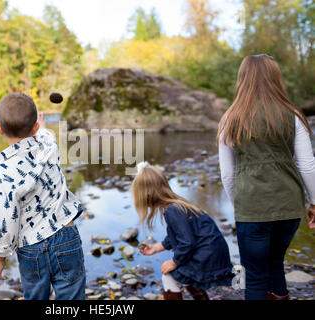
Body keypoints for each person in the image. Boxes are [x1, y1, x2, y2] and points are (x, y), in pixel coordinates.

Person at [217, 54, 315, 300]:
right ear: (275, 78)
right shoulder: (292, 114)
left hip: (251, 208)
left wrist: (239, 206)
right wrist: (314, 201)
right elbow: (307, 165)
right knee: (275, 264)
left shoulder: (230, 119)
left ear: (242, 80)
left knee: (256, 275)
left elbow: (227, 174)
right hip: (289, 207)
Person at [0, 92, 85, 300]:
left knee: (35, 297)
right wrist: (40, 126)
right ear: (34, 127)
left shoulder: (4, 171)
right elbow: (44, 133)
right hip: (65, 235)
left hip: (31, 246)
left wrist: (1, 256)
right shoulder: (49, 145)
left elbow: (7, 218)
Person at [132, 162, 234, 300]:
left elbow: (187, 242)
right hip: (213, 252)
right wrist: (156, 248)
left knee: (169, 277)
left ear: (148, 193)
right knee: (185, 273)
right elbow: (178, 235)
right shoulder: (177, 204)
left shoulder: (172, 210)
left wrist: (174, 261)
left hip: (208, 256)